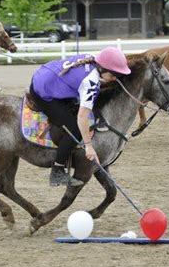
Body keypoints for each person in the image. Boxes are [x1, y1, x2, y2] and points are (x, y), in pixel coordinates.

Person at [29, 47, 131, 186]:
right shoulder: (91, 82)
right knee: (75, 128)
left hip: (46, 75)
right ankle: (57, 171)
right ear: (103, 69)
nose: (115, 79)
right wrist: (89, 146)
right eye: (114, 76)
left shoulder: (92, 59)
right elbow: (82, 117)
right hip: (42, 90)